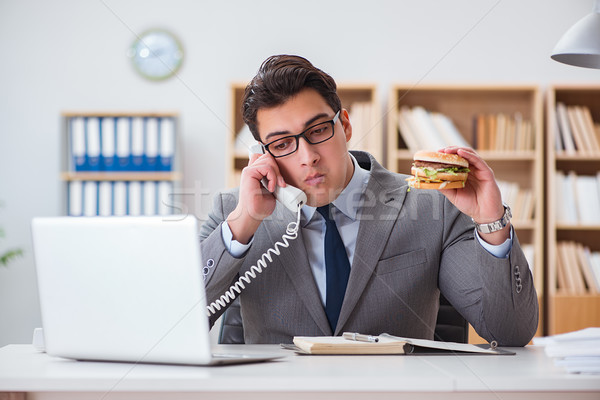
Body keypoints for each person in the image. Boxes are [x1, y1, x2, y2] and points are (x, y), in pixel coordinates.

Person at [199, 54, 538, 346]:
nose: (308, 157)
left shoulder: (433, 207)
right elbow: (178, 324)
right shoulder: (234, 213)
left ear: (345, 125)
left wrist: (492, 222)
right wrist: (243, 226)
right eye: (283, 144)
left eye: (318, 131)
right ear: (263, 154)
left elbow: (510, 332)